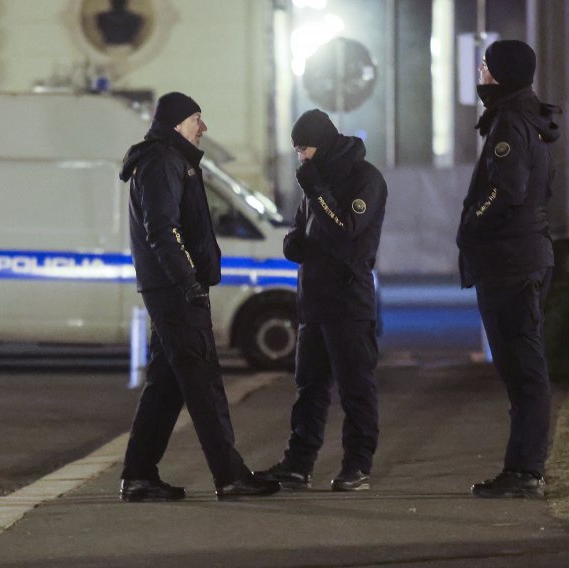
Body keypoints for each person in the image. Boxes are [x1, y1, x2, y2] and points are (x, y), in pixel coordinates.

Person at [118, 92, 280, 501]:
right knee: (204, 384)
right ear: (177, 123)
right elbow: (164, 229)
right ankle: (230, 476)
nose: (203, 128)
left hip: (172, 288)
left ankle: (139, 475)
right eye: (196, 119)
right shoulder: (162, 162)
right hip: (176, 291)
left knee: (167, 386)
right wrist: (189, 282)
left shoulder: (170, 161)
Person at [256, 109, 387, 492]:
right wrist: (294, 243)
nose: (301, 158)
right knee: (309, 388)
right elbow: (301, 229)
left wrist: (316, 192)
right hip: (314, 300)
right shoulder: (315, 181)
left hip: (348, 301)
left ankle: (357, 465)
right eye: (297, 150)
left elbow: (347, 227)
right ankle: (298, 464)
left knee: (355, 388)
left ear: (325, 143)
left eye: (306, 148)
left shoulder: (365, 179)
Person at [457, 39, 561, 498]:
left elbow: (507, 191)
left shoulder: (509, 123)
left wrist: (471, 227)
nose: (479, 72)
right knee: (523, 368)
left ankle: (525, 472)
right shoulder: (528, 119)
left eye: (484, 66)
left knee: (523, 370)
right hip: (525, 256)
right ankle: (522, 468)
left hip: (511, 264)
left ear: (499, 74)